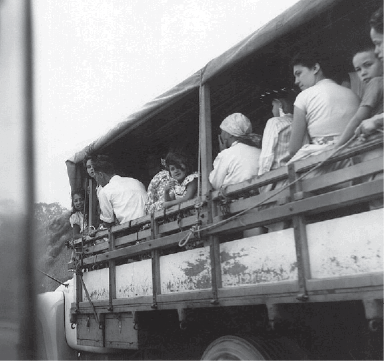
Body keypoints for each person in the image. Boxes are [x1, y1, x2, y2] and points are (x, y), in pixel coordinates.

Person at [288, 49, 360, 163]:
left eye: (299, 74)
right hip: (358, 157)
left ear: (315, 68)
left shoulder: (303, 96)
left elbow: (293, 149)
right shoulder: (353, 94)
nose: (296, 81)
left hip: (327, 164)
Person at [336, 45, 384, 146]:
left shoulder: (376, 82)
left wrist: (337, 146)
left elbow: (358, 119)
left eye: (368, 65)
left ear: (382, 61)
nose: (363, 73)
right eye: (358, 69)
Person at [209, 113, 261, 190]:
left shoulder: (226, 154)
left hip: (237, 198)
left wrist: (223, 152)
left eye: (222, 132)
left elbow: (215, 183)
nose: (221, 135)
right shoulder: (260, 151)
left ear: (229, 134)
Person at [92, 156, 147, 226]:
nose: (96, 180)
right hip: (149, 224)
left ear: (101, 175)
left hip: (131, 230)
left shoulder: (104, 191)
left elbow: (108, 222)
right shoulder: (136, 182)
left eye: (95, 176)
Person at [258, 89, 295, 181]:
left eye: (273, 106)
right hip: (296, 173)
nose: (272, 110)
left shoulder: (275, 122)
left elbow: (267, 155)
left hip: (278, 177)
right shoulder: (299, 122)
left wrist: (261, 179)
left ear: (280, 105)